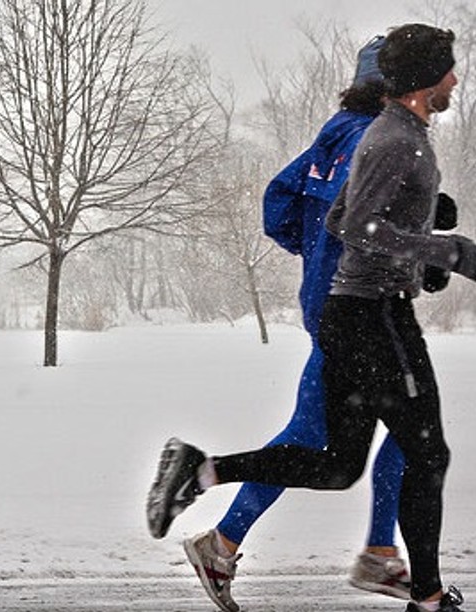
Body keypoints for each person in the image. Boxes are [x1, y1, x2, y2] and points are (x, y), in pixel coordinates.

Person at [147, 23, 474, 612]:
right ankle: (383, 567)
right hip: (361, 309)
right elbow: (366, 222)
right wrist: (436, 245)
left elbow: (281, 204)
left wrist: (319, 257)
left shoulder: (333, 137)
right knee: (364, 443)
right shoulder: (383, 136)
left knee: (361, 449)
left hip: (331, 304)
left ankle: (378, 556)